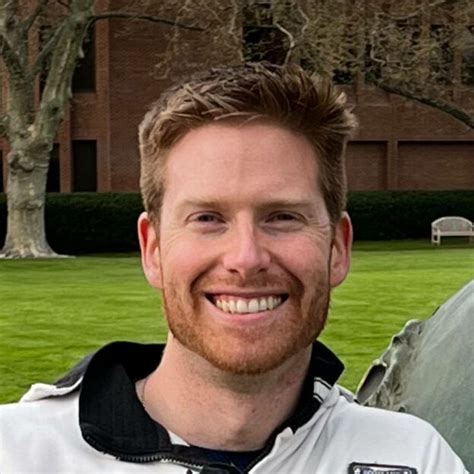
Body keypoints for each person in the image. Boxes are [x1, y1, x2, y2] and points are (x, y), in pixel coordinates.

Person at [0, 63, 467, 473]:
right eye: (207, 219)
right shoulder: (18, 453)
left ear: (338, 248)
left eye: (283, 217)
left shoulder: (413, 458)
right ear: (153, 249)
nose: (245, 258)